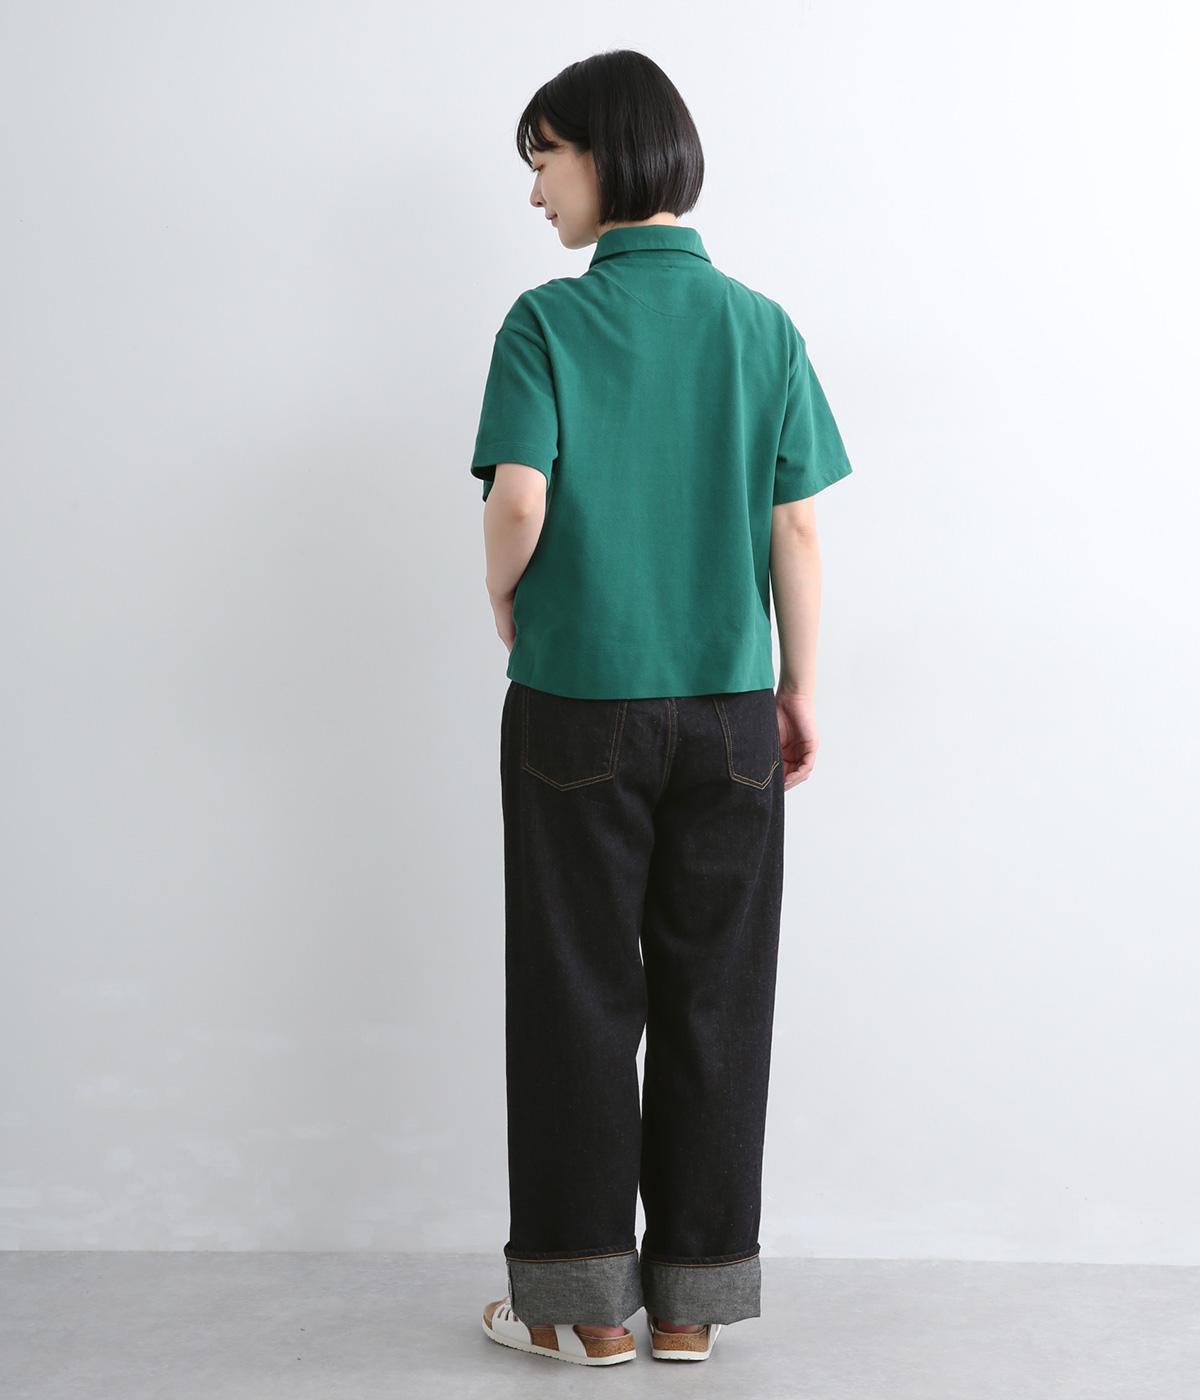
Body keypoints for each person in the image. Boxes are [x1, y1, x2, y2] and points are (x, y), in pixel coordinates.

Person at [470, 49, 853, 1367]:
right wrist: (795, 689)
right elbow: (795, 527)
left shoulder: (546, 323)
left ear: (606, 154)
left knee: (577, 999)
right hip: (731, 714)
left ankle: (582, 1308)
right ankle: (693, 1304)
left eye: (545, 161)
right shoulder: (763, 326)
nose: (537, 195)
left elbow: (519, 499)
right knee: (718, 1002)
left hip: (578, 708)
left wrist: (504, 595)